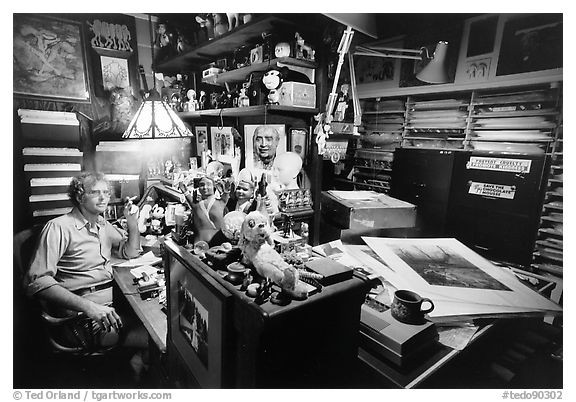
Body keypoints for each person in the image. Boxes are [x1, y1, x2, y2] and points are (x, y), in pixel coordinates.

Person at [24, 171, 145, 350]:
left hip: (110, 308)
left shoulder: (102, 224)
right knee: (156, 338)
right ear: (80, 197)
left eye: (106, 192)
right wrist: (89, 307)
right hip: (82, 318)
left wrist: (132, 222)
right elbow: (37, 281)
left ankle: (138, 363)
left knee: (159, 323)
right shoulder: (59, 227)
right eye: (95, 192)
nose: (103, 197)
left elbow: (130, 252)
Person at [183, 176, 230, 245]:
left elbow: (226, 193)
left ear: (214, 187)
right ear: (198, 188)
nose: (205, 187)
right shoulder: (197, 205)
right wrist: (185, 192)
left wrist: (226, 189)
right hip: (200, 244)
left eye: (208, 184)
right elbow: (189, 199)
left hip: (220, 243)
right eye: (202, 185)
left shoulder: (220, 202)